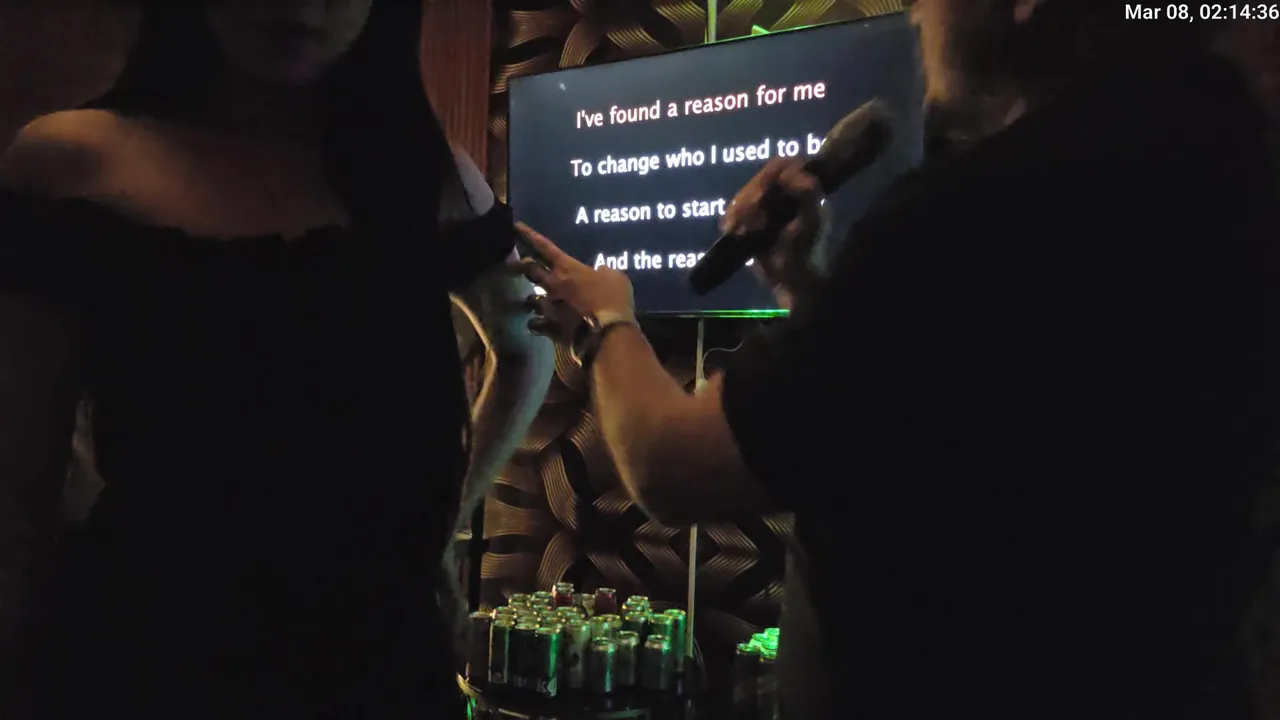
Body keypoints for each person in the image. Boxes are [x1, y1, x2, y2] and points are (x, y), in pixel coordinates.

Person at [518, 1, 1280, 717]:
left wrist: (603, 319)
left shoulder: (993, 206)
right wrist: (807, 287)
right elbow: (942, 408)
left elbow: (673, 467)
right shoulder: (1214, 161)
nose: (916, 13)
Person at [0, 0, 553, 716]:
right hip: (153, 656)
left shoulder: (424, 174)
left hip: (378, 657)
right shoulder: (73, 161)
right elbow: (20, 492)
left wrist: (442, 530)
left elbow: (528, 348)